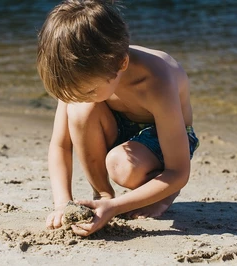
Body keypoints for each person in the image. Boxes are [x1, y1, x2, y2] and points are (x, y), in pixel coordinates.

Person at [37, 0, 199, 237]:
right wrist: (62, 203)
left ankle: (163, 193)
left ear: (122, 63)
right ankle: (102, 195)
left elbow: (179, 172)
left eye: (89, 91)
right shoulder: (80, 74)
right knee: (80, 110)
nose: (80, 97)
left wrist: (115, 210)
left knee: (121, 165)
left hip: (167, 139)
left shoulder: (155, 81)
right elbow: (60, 145)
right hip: (117, 126)